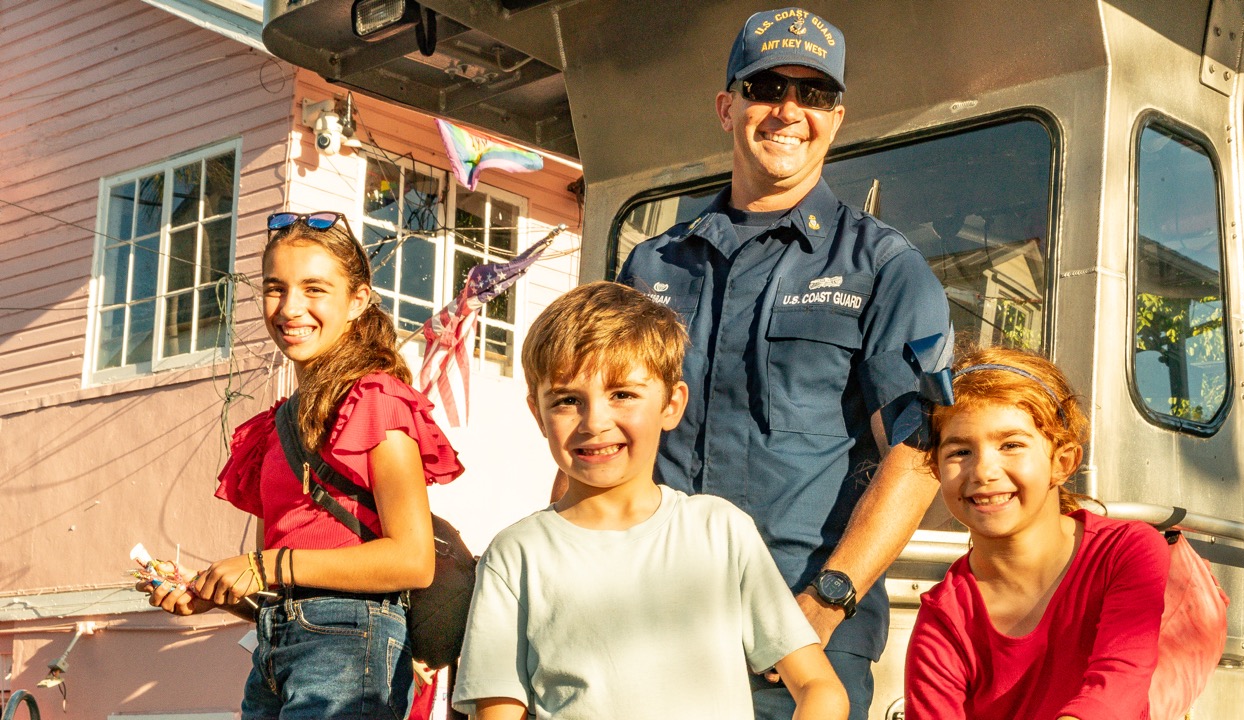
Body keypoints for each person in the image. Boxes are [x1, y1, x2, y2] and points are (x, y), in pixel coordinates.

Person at [613, 7, 952, 718]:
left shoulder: (886, 268)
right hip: (653, 618)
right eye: (767, 87)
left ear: (836, 117)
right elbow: (604, 434)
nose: (789, 111)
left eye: (815, 94)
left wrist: (823, 606)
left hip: (800, 636)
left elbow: (918, 456)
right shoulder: (652, 264)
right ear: (726, 105)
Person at [453, 281, 849, 720]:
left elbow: (820, 688)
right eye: (567, 400)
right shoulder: (515, 555)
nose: (595, 422)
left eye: (622, 394)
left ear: (671, 404)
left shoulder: (720, 531)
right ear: (537, 415)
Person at [135, 211, 463, 720]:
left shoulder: (377, 400)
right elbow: (287, 589)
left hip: (351, 646)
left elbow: (412, 559)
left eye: (314, 289)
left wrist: (262, 565)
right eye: (274, 288)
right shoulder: (275, 427)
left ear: (357, 301)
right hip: (274, 648)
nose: (290, 308)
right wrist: (214, 593)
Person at [904, 347, 1169, 719]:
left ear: (1062, 462)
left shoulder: (1126, 551)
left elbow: (1118, 683)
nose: (983, 471)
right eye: (960, 451)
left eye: (1011, 445)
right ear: (936, 470)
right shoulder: (943, 621)